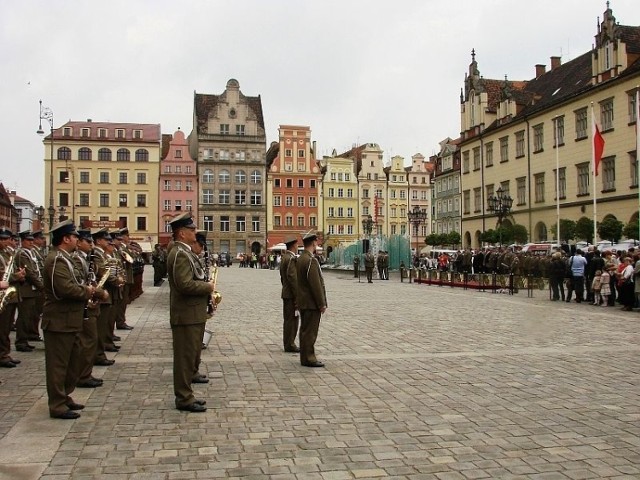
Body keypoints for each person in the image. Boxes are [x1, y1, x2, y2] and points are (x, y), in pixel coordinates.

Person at [42, 220, 96, 419]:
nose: (77, 239)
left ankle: (64, 396)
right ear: (65, 239)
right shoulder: (57, 260)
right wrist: (87, 291)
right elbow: (63, 289)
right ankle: (57, 404)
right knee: (58, 365)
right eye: (74, 237)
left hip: (70, 319)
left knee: (72, 362)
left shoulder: (66, 258)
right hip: (59, 320)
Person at [167, 212, 215, 412]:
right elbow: (184, 284)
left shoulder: (184, 252)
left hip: (191, 313)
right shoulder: (179, 254)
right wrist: (208, 287)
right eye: (191, 229)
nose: (195, 231)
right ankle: (184, 397)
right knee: (184, 358)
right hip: (185, 314)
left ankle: (187, 394)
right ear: (181, 233)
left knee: (188, 357)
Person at [72, 229, 108, 388]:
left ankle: (85, 373)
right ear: (79, 242)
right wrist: (95, 292)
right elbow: (80, 283)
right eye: (88, 242)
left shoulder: (86, 258)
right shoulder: (76, 259)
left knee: (90, 340)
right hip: (84, 304)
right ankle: (82, 375)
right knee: (87, 341)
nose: (91, 245)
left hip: (89, 302)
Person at [295, 231, 327, 368]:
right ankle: (309, 357)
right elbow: (316, 284)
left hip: (303, 300)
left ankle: (304, 356)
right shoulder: (311, 260)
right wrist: (322, 303)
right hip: (311, 303)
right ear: (313, 242)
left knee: (304, 330)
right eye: (316, 242)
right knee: (310, 331)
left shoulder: (301, 258)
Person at [0, 228, 26, 368]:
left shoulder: (7, 253)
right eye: (3, 239)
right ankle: (2, 355)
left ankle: (5, 353)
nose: (7, 242)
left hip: (10, 293)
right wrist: (16, 276)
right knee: (3, 327)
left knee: (7, 327)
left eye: (7, 239)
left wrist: (20, 275)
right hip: (2, 291)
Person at [15, 230, 44, 352]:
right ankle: (21, 341)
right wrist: (41, 286)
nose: (31, 242)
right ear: (23, 241)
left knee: (32, 315)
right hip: (26, 288)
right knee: (24, 316)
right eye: (28, 240)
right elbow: (30, 273)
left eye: (32, 240)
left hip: (32, 289)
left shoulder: (30, 253)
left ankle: (25, 339)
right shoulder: (22, 254)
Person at [280, 235, 299, 353]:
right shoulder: (291, 259)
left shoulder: (284, 257)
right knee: (292, 320)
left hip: (286, 292)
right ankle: (290, 344)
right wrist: (298, 296)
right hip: (291, 295)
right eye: (297, 245)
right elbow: (293, 279)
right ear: (293, 245)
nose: (297, 246)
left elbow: (283, 278)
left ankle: (287, 342)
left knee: (288, 320)